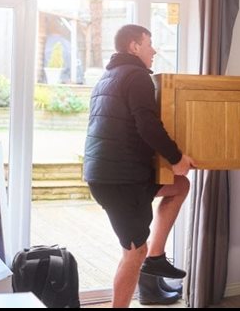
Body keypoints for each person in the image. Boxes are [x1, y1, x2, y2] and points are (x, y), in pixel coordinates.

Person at [83, 24, 196, 308]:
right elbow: (147, 124)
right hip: (120, 180)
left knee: (180, 185)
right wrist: (176, 158)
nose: (153, 49)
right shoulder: (136, 76)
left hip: (111, 174)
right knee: (134, 253)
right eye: (149, 43)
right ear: (134, 46)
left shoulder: (108, 77)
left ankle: (156, 258)